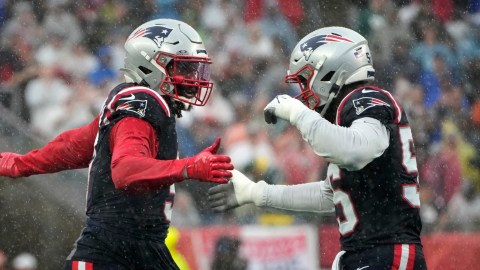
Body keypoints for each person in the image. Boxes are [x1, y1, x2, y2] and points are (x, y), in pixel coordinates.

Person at [0, 18, 234, 270]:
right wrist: (189, 167)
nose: (192, 77)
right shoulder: (143, 104)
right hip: (113, 253)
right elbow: (125, 171)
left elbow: (76, 145)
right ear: (151, 65)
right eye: (184, 68)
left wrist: (22, 164)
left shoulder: (135, 102)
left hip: (133, 249)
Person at [208, 26, 427, 269]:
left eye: (305, 80)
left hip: (386, 253)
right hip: (369, 253)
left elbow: (356, 150)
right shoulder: (348, 113)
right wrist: (257, 193)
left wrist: (295, 112)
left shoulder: (364, 97)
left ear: (329, 69)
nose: (302, 92)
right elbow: (333, 194)